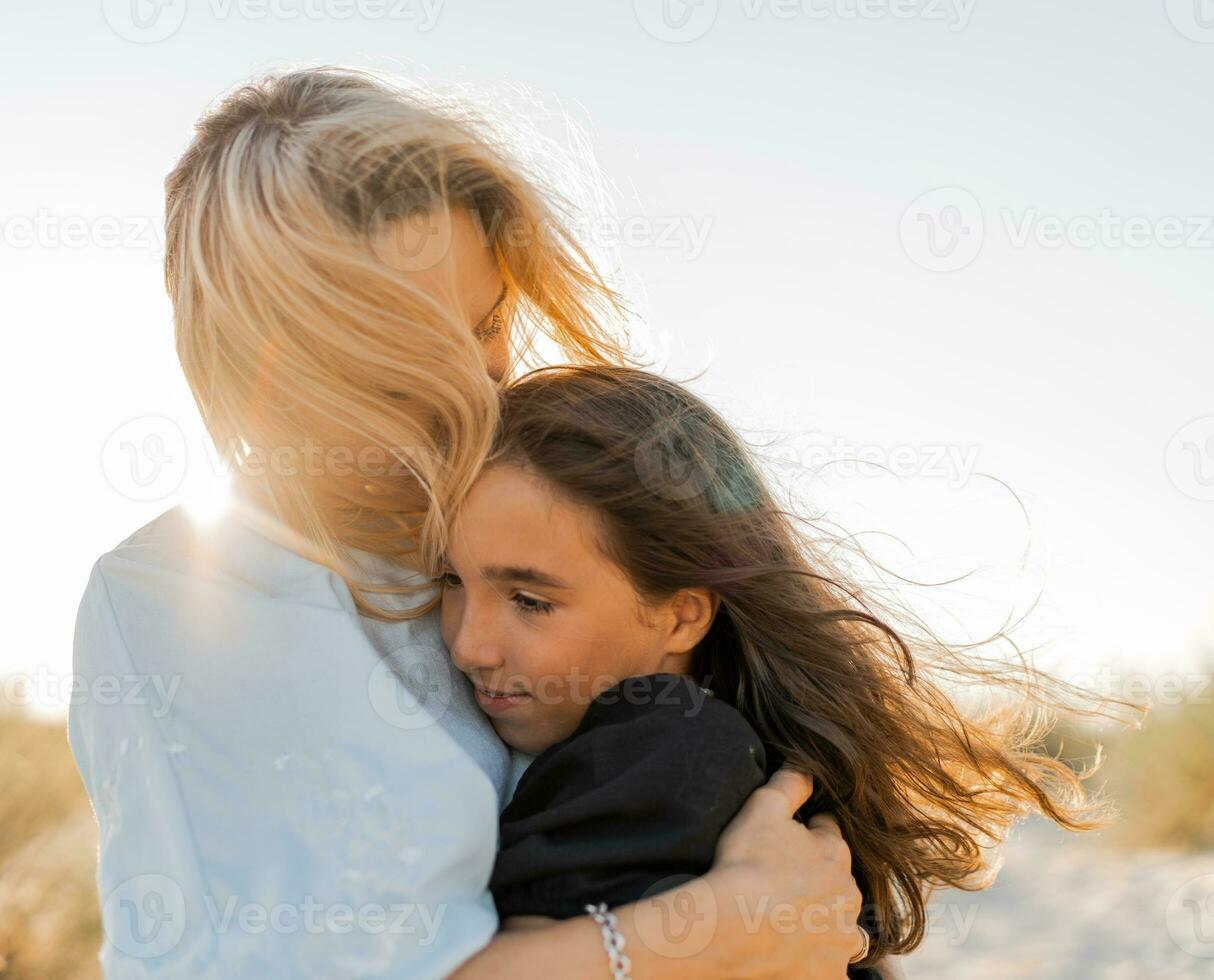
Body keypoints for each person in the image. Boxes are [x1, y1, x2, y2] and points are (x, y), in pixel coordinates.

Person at [69, 66, 866, 978]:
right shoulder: (183, 601)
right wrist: (728, 930)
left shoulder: (503, 528)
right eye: (419, 348)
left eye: (489, 324)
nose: (485, 382)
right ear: (279, 366)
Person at [438, 366, 1115, 974]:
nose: (471, 646)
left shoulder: (665, 747)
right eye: (450, 582)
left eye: (531, 601)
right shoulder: (738, 760)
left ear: (681, 615)